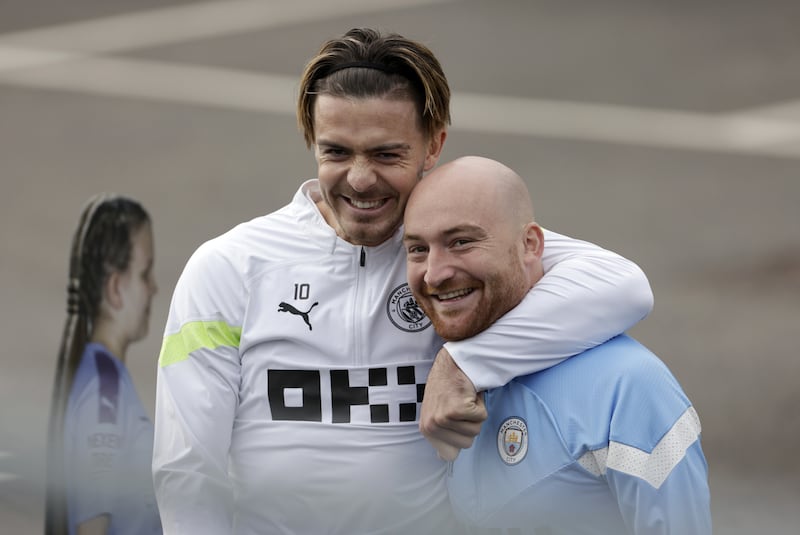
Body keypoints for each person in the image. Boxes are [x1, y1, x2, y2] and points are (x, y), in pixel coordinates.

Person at [152, 28, 654, 534]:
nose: (361, 179)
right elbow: (187, 469)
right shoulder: (228, 267)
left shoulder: (452, 252)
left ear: (433, 145)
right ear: (312, 142)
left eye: (387, 155)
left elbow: (623, 284)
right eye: (336, 153)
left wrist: (463, 363)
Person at [403, 156, 711, 534]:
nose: (435, 273)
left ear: (530, 244)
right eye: (418, 249)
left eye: (461, 242)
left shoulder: (631, 388)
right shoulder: (433, 365)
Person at [45, 194, 162, 535]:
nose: (153, 288)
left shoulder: (106, 380)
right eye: (145, 273)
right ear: (115, 289)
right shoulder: (104, 391)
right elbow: (92, 527)